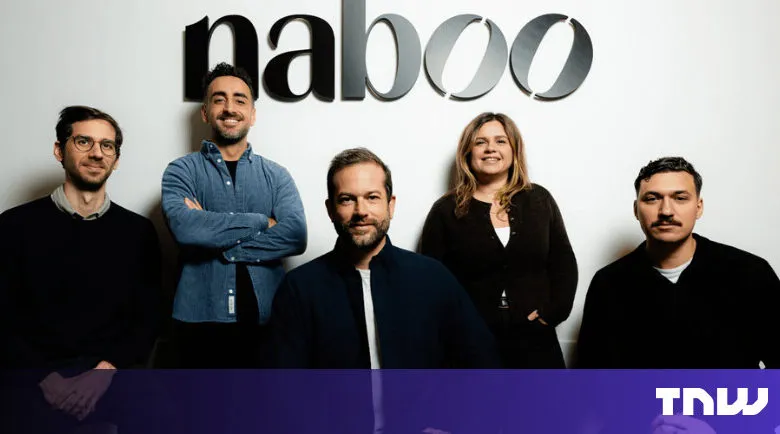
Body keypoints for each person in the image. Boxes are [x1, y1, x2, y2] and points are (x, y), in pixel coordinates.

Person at [0, 105, 161, 431]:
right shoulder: (13, 226)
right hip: (31, 377)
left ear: (116, 160)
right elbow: (2, 317)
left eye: (107, 146)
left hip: (110, 375)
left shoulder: (138, 232)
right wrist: (46, 378)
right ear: (60, 150)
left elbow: (148, 317)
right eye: (84, 142)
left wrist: (102, 374)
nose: (97, 153)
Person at [271, 147, 498, 368]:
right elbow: (286, 387)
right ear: (331, 209)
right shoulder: (299, 288)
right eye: (347, 199)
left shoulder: (433, 278)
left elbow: (481, 362)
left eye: (372, 197)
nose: (361, 211)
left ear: (391, 205)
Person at [162, 62, 306, 368]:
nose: (230, 108)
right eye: (219, 99)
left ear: (252, 114)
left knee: (264, 415)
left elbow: (295, 234)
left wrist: (213, 236)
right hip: (197, 324)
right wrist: (261, 222)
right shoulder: (181, 171)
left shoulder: (276, 175)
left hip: (266, 324)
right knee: (199, 415)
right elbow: (186, 229)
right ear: (205, 112)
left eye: (240, 100)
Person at [577, 156, 780, 368]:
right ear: (636, 209)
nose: (666, 211)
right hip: (640, 401)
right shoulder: (608, 283)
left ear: (699, 207)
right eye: (652, 198)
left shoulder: (751, 273)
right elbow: (592, 378)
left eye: (680, 198)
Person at [419, 112, 578, 368]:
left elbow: (563, 262)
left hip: (535, 338)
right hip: (470, 343)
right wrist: (453, 326)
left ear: (514, 150)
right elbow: (429, 278)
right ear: (468, 151)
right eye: (480, 142)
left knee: (544, 408)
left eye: (500, 141)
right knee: (477, 408)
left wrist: (553, 313)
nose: (490, 148)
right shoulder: (445, 210)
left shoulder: (539, 200)